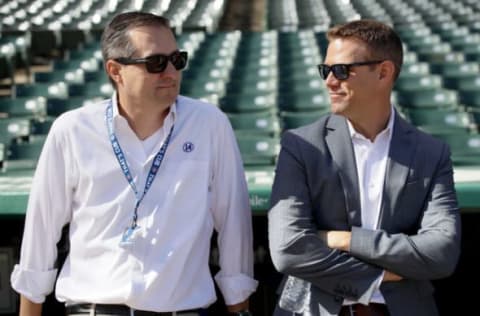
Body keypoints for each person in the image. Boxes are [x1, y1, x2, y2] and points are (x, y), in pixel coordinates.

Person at [11, 11, 257, 316]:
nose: (171, 72)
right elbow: (41, 233)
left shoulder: (210, 125)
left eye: (177, 59)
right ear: (116, 70)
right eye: (156, 63)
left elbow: (234, 226)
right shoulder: (72, 130)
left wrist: (240, 308)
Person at [268, 19, 461, 316]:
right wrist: (377, 277)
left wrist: (344, 239)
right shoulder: (300, 145)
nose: (330, 81)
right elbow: (289, 249)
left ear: (384, 72)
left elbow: (440, 253)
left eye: (342, 70)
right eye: (326, 70)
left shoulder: (432, 153)